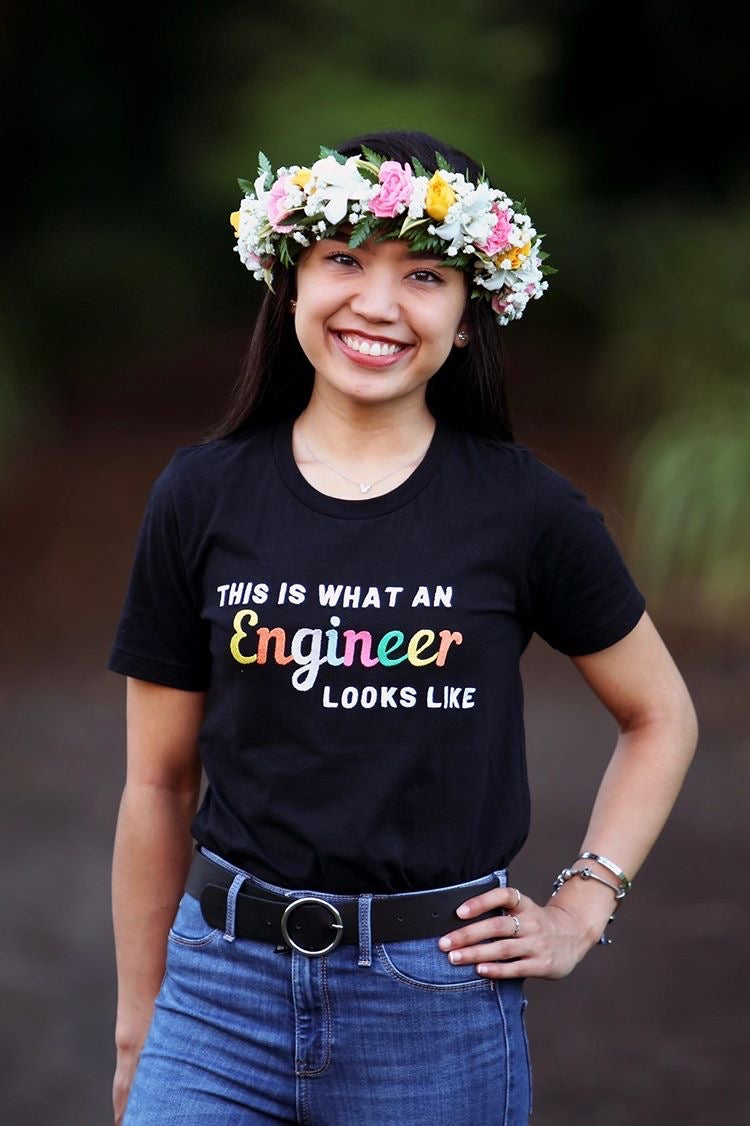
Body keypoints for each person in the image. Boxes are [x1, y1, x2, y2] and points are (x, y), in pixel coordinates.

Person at [108, 129, 698, 1125]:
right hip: (214, 1003)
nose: (376, 305)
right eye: (343, 259)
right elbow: (157, 783)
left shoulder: (527, 512)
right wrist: (137, 1026)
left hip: (434, 1008)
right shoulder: (198, 496)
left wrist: (581, 908)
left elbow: (662, 715)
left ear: (470, 315)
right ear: (289, 280)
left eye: (424, 275)